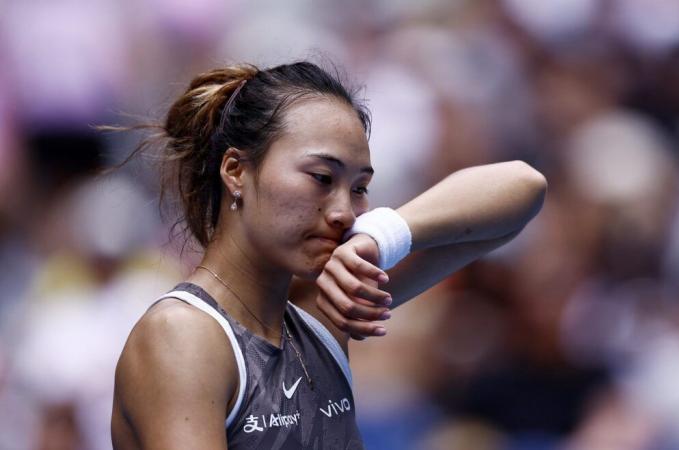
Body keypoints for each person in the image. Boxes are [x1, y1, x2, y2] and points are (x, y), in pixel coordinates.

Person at [110, 61, 547, 450]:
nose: (343, 212)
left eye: (359, 188)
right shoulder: (183, 334)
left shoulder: (321, 307)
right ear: (236, 171)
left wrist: (379, 235)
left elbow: (523, 190)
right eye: (322, 177)